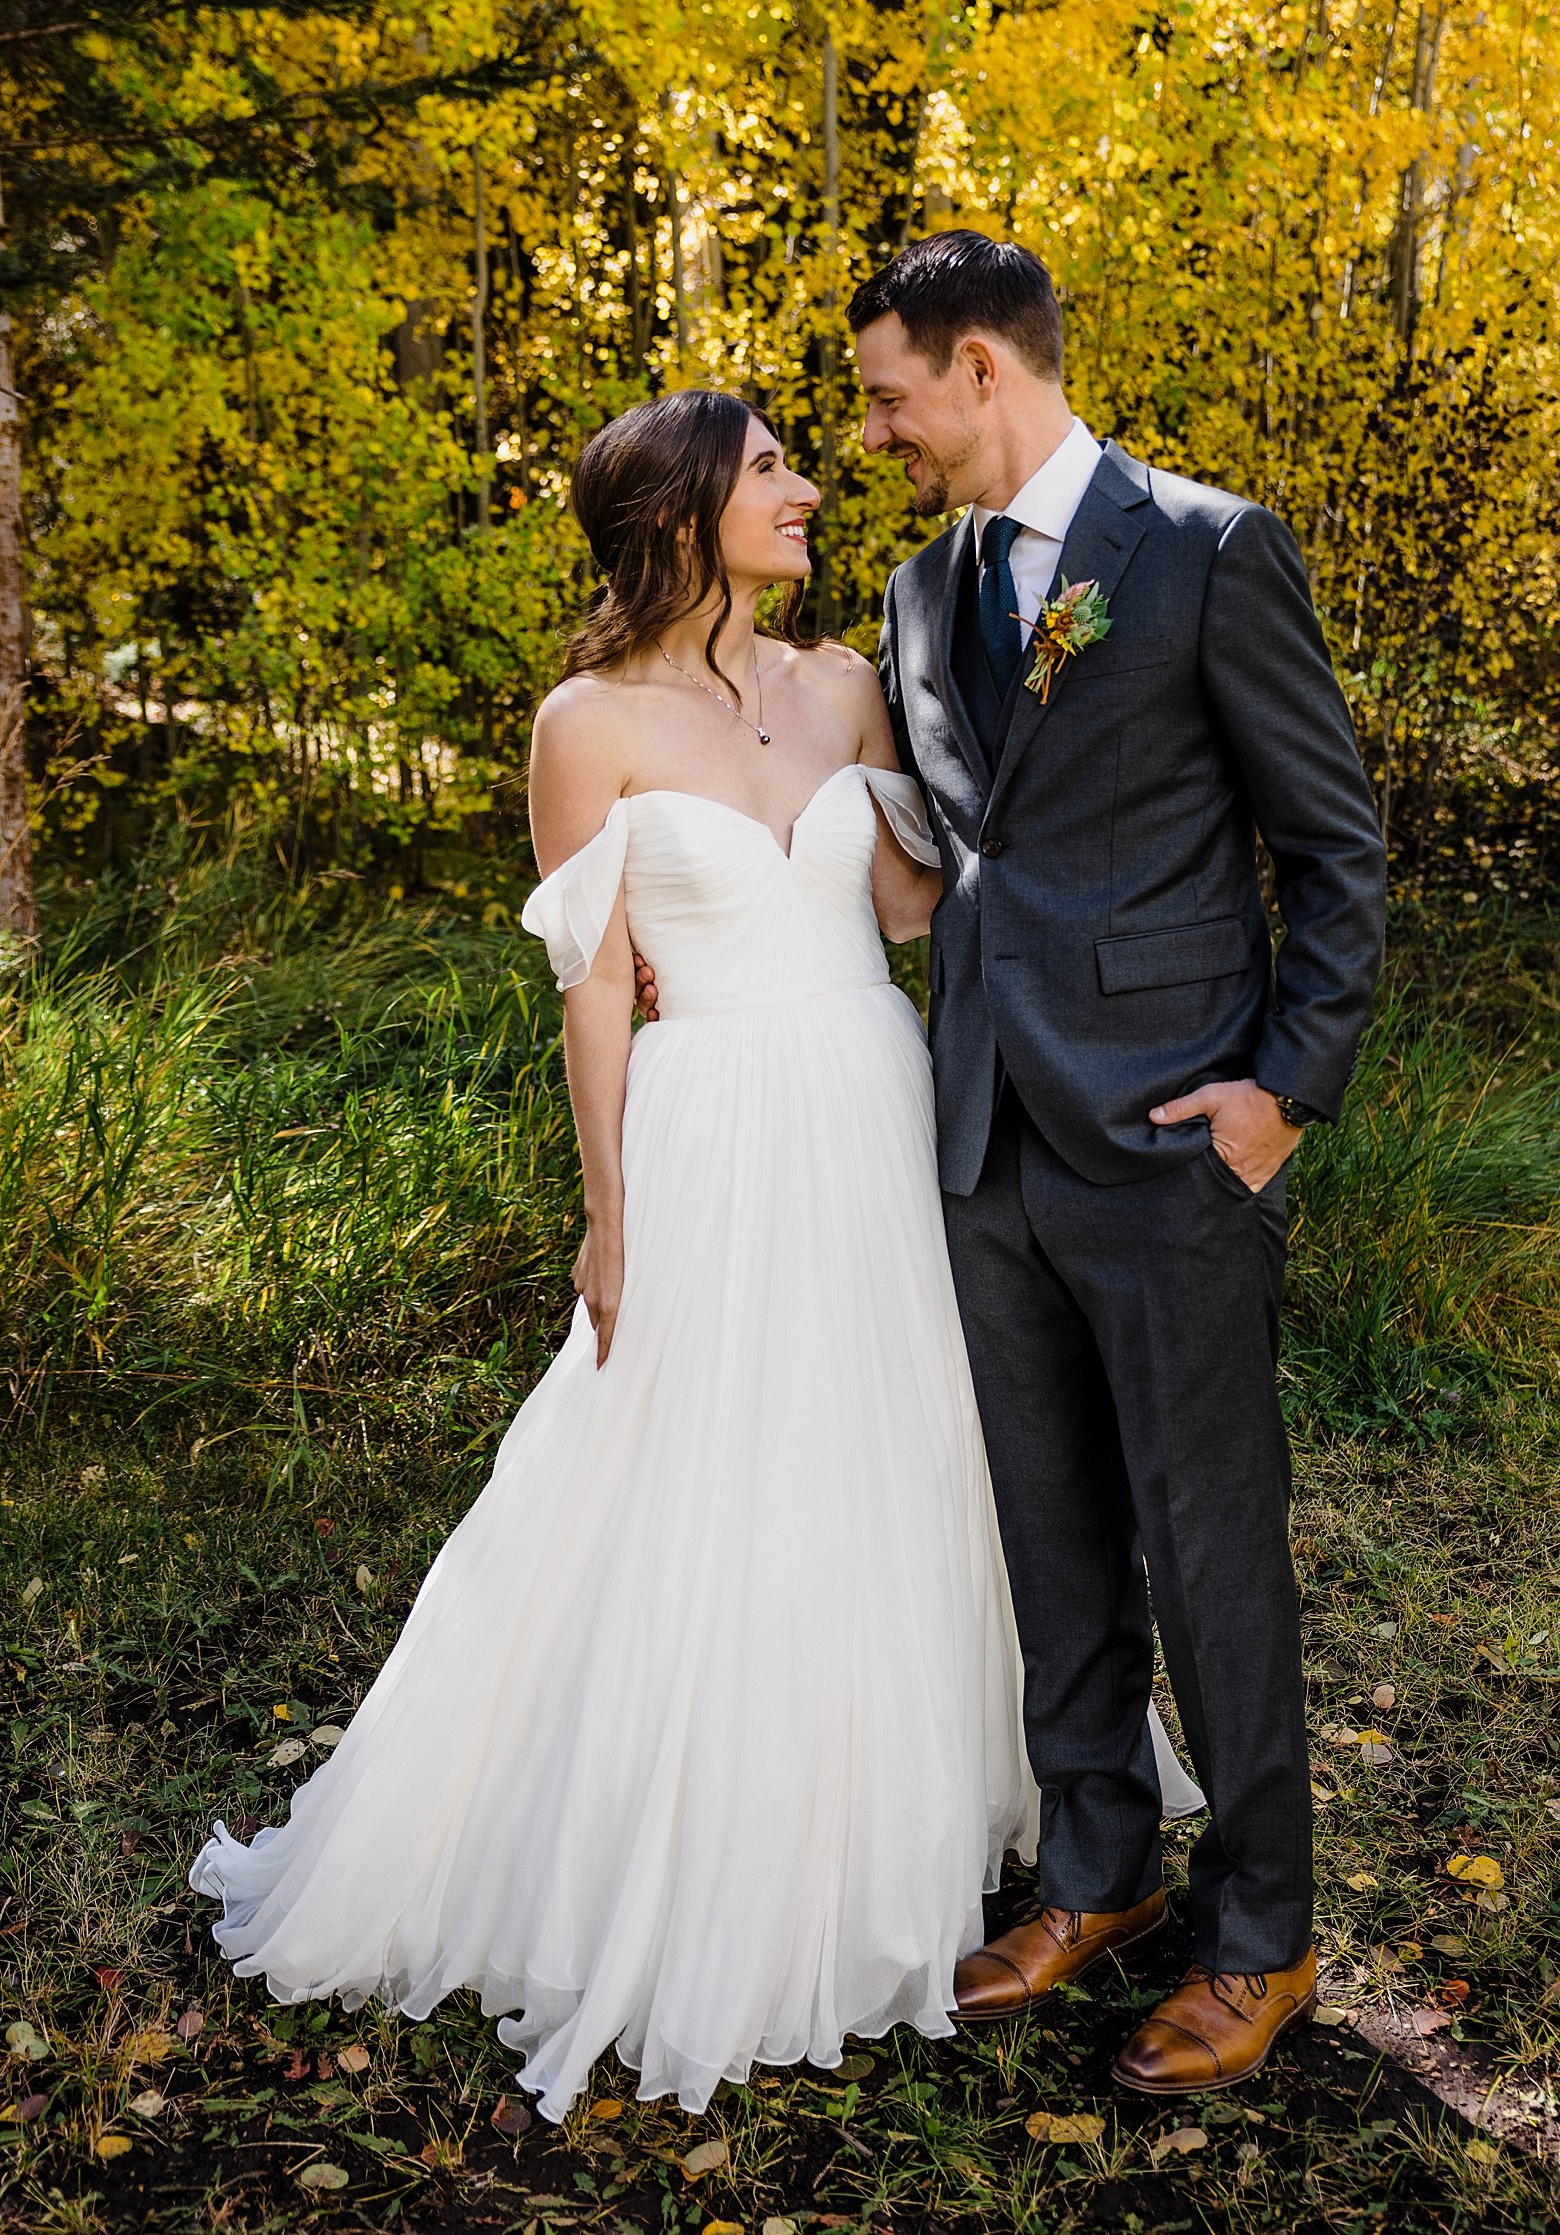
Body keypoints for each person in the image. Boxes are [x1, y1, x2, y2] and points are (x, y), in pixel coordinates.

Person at [190, 389, 1046, 2117]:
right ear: (679, 518)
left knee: (889, 1445)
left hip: (871, 1099)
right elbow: (593, 980)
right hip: (714, 1116)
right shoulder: (581, 725)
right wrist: (607, 1206)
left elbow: (900, 911)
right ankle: (703, 1833)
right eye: (771, 473)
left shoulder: (850, 679)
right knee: (695, 1460)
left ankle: (891, 1805)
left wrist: (977, 763)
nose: (809, 489)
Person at [856, 232, 1387, 2096]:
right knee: (1051, 1534)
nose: (877, 429)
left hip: (1175, 1142)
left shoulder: (1206, 550)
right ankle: (1099, 1867)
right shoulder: (921, 595)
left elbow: (1334, 847)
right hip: (988, 1139)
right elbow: (950, 850)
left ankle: (1267, 1932)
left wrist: (1278, 1096)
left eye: (889, 391)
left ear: (984, 365)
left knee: (1211, 1543)